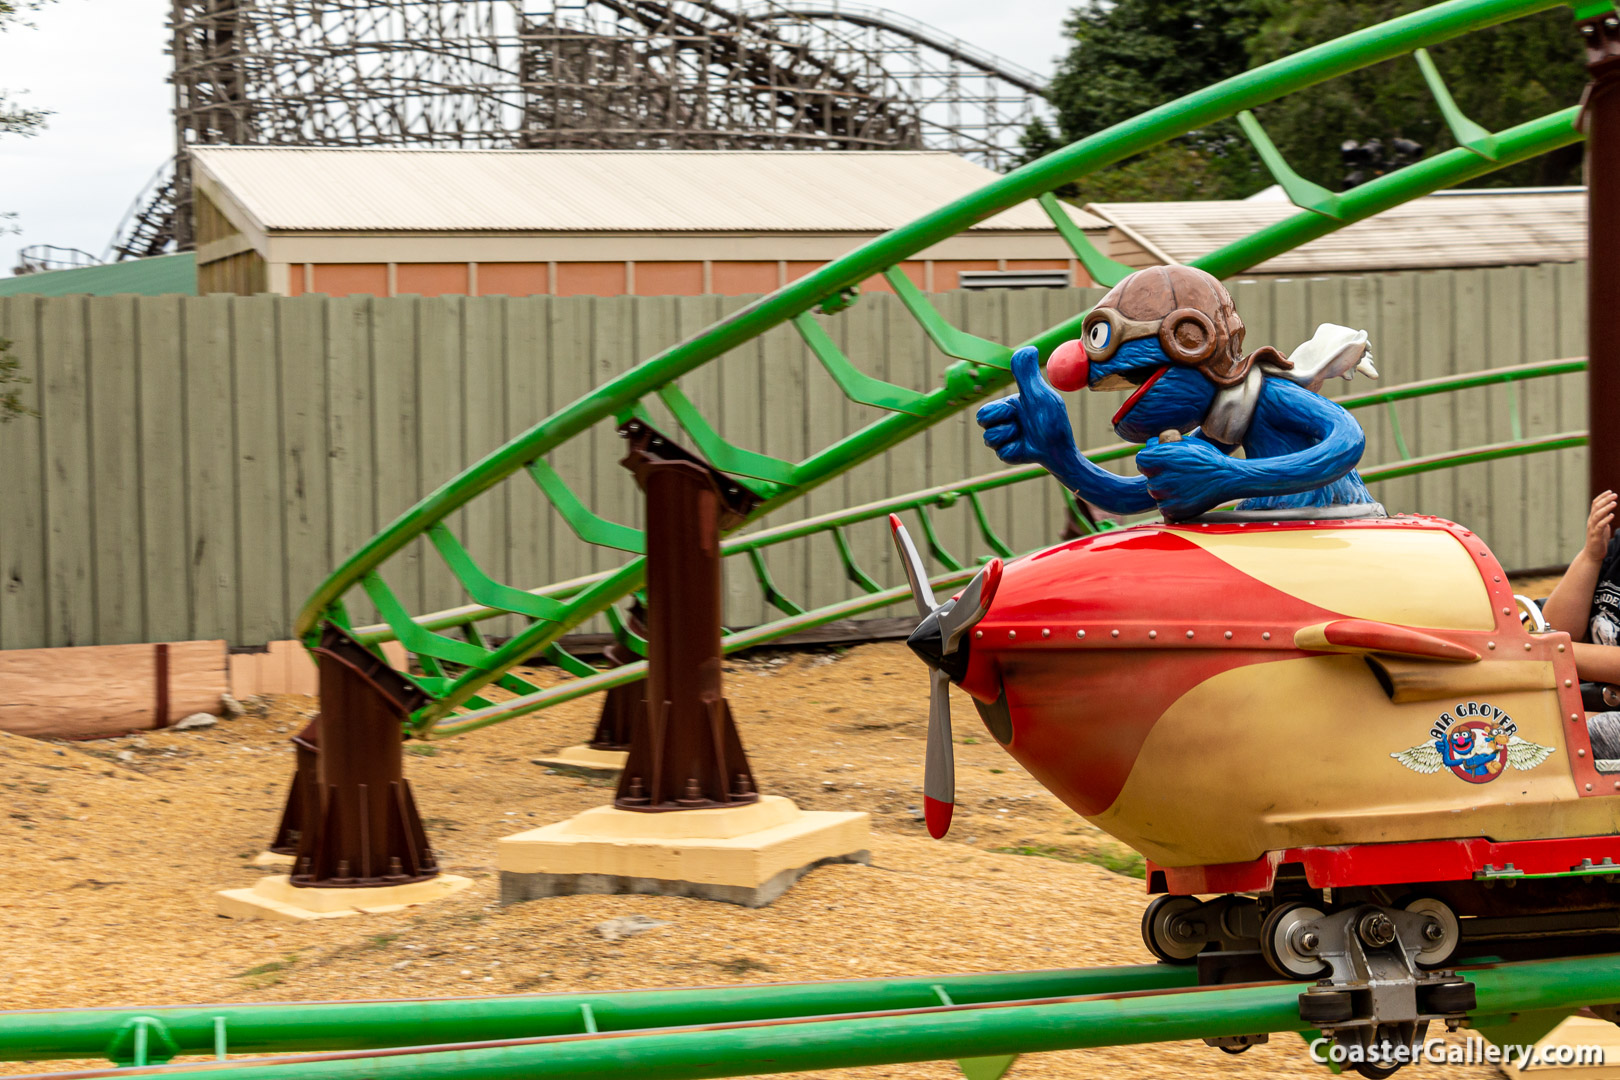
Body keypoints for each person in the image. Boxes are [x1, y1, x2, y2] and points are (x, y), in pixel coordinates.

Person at [1543, 490, 1620, 762]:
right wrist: (1591, 556)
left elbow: (1546, 643)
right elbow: (1553, 628)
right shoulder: (1617, 546)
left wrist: (1551, 652)